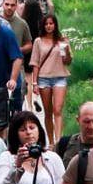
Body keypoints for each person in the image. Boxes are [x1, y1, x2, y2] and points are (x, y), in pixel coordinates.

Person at [30, 14, 72, 143]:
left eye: (51, 23)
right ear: (43, 26)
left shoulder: (62, 41)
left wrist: (67, 51)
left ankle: (59, 140)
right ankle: (51, 141)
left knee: (57, 109)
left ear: (55, 25)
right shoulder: (38, 41)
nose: (49, 26)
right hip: (44, 78)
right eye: (46, 24)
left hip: (60, 77)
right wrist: (34, 82)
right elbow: (35, 63)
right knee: (48, 112)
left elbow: (68, 61)